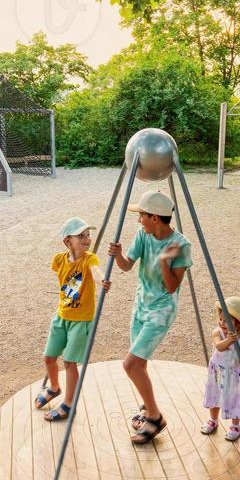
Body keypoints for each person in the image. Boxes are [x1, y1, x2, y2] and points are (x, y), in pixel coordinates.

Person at [106, 190, 192, 444]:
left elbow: (172, 287)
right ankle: (148, 407)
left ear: (155, 217)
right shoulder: (143, 235)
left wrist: (165, 262)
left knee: (130, 364)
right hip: (140, 306)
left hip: (161, 310)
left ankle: (155, 417)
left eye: (142, 215)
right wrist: (118, 254)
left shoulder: (181, 245)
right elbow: (126, 266)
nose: (138, 220)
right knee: (140, 365)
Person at [36, 218, 110, 422]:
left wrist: (101, 280)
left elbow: (95, 271)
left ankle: (69, 403)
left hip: (81, 320)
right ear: (67, 241)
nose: (87, 239)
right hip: (62, 315)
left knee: (69, 362)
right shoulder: (59, 260)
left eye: (88, 235)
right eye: (81, 235)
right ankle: (54, 387)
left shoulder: (89, 259)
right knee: (49, 358)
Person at [202, 296, 240, 441]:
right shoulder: (217, 332)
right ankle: (213, 420)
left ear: (238, 323)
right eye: (220, 319)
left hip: (234, 376)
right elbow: (219, 346)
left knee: (234, 399)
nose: (222, 323)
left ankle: (235, 426)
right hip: (218, 373)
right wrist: (229, 340)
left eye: (227, 320)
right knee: (215, 396)